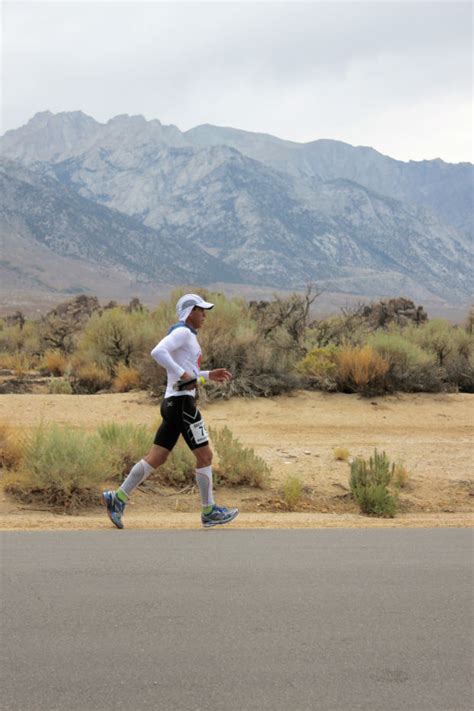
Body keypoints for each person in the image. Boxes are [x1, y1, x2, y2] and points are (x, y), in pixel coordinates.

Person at [102, 293, 239, 529]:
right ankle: (209, 511)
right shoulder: (183, 332)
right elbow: (158, 352)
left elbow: (187, 373)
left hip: (173, 403)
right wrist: (182, 373)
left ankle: (118, 498)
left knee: (157, 457)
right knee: (205, 456)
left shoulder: (188, 336)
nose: (205, 314)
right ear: (189, 312)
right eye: (201, 310)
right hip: (182, 405)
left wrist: (207, 375)